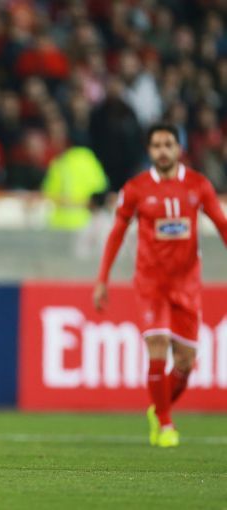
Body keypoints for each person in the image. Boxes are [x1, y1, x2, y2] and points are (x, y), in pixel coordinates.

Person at [93, 123, 227, 448]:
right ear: (149, 151)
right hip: (151, 283)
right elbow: (117, 234)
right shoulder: (136, 189)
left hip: (187, 285)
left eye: (168, 144)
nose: (163, 151)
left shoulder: (198, 185)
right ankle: (166, 424)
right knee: (157, 344)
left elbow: (222, 225)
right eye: (157, 145)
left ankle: (158, 408)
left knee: (185, 362)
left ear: (179, 148)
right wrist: (102, 279)